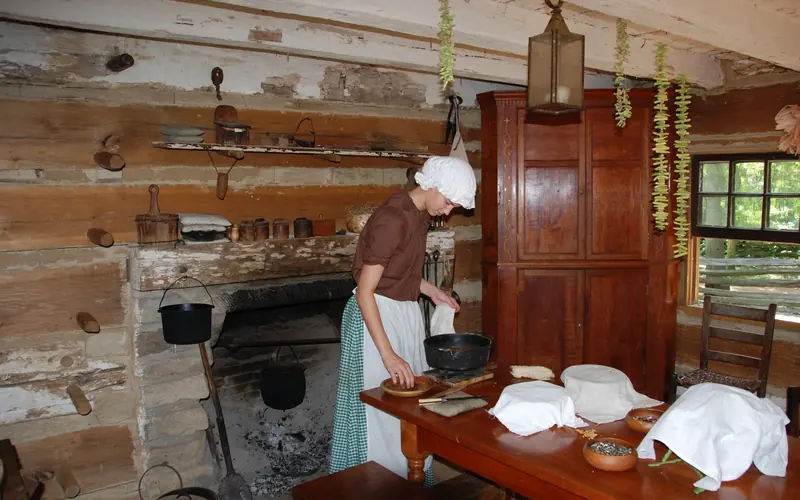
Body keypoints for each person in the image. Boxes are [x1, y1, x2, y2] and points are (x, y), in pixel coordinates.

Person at [329, 155, 477, 483]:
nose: (449, 211)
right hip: (375, 316)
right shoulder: (393, 218)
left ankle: (407, 476)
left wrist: (429, 291)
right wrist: (388, 354)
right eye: (450, 202)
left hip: (400, 309)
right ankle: (378, 485)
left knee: (408, 405)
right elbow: (366, 290)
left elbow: (397, 272)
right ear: (433, 185)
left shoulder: (420, 215)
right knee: (381, 412)